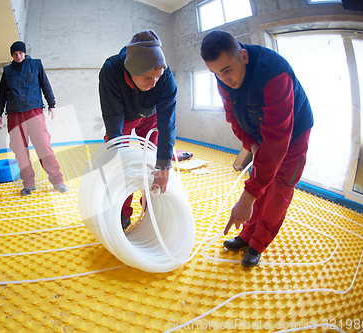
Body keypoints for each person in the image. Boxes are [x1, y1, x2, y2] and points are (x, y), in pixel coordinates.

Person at [200, 31, 313, 267]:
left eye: (227, 70)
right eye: (216, 73)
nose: (223, 79)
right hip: (263, 134)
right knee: (260, 182)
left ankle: (258, 243)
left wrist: (247, 197)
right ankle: (246, 234)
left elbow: (278, 139)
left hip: (292, 135)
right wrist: (251, 144)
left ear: (243, 56)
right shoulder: (223, 77)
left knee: (278, 190)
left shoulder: (274, 74)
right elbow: (232, 117)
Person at [99, 30, 177, 231]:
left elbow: (167, 122)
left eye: (157, 78)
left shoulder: (165, 77)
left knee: (153, 162)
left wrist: (164, 165)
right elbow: (113, 119)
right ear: (131, 70)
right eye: (147, 78)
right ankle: (122, 213)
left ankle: (152, 209)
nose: (153, 84)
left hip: (149, 117)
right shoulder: (111, 70)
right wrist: (119, 158)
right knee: (120, 165)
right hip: (122, 117)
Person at [0, 41, 69, 196]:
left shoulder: (36, 65)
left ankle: (57, 181)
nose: (18, 56)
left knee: (43, 146)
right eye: (15, 54)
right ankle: (28, 184)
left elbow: (45, 85)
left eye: (20, 53)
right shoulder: (7, 71)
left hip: (34, 111)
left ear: (25, 52)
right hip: (14, 114)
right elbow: (2, 94)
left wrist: (52, 104)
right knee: (20, 151)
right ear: (12, 55)